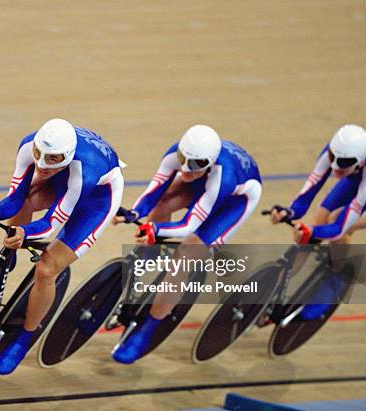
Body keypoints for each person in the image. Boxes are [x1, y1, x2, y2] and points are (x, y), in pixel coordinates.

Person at [0, 118, 124, 375]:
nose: (42, 164)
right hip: (62, 183)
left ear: (65, 156)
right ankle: (10, 252)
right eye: (38, 155)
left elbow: (51, 224)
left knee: (46, 269)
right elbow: (16, 197)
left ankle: (24, 338)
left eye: (52, 159)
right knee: (28, 199)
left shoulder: (83, 172)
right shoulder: (28, 146)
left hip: (97, 202)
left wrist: (25, 231)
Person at [112, 125, 262, 364]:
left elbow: (190, 225)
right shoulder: (178, 157)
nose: (184, 168)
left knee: (185, 256)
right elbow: (154, 191)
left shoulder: (225, 177)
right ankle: (154, 255)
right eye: (183, 159)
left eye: (194, 164)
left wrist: (156, 229)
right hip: (204, 185)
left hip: (234, 202)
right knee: (162, 204)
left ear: (209, 162)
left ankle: (147, 331)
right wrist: (134, 213)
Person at [269, 124, 366, 319]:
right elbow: (307, 194)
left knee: (337, 223)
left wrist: (312, 231)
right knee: (317, 221)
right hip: (353, 180)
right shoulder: (337, 152)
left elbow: (339, 228)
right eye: (332, 158)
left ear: (359, 162)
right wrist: (288, 212)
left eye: (343, 162)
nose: (334, 167)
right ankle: (270, 293)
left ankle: (336, 277)